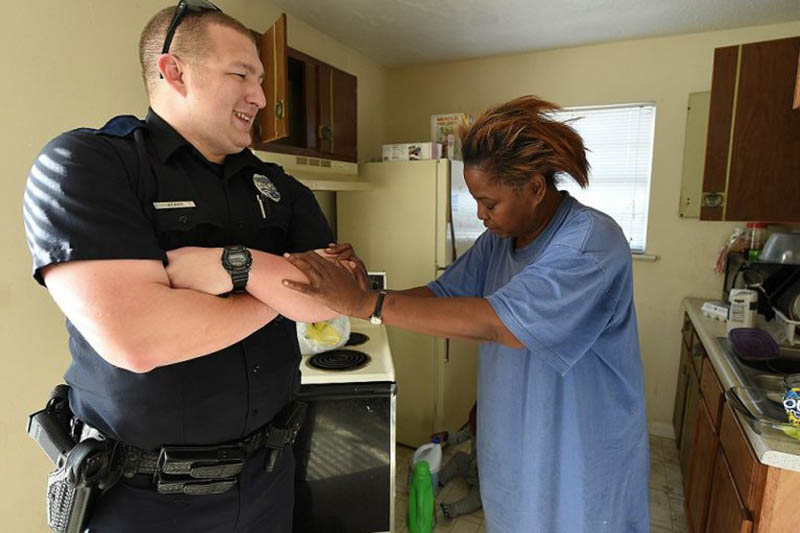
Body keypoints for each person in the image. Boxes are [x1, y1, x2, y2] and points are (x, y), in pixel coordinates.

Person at [22, 3, 353, 532]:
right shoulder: (88, 165)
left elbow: (338, 296)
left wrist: (234, 267)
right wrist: (276, 281)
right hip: (141, 501)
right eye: (241, 74)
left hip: (269, 483)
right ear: (174, 70)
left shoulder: (279, 186)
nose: (262, 98)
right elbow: (139, 338)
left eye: (262, 80)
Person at [279, 95, 650, 532]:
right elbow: (442, 294)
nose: (480, 214)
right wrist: (367, 291)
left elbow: (499, 323)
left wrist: (368, 306)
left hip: (580, 450)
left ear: (534, 187)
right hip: (516, 437)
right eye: (475, 200)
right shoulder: (501, 239)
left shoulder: (589, 244)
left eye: (490, 203)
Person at [432, 403, 481, 520]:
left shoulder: (493, 442)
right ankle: (439, 481)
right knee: (459, 457)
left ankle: (454, 509)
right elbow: (459, 437)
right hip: (472, 466)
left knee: (480, 496)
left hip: (483, 480)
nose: (471, 429)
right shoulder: (472, 429)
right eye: (470, 424)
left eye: (474, 427)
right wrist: (445, 436)